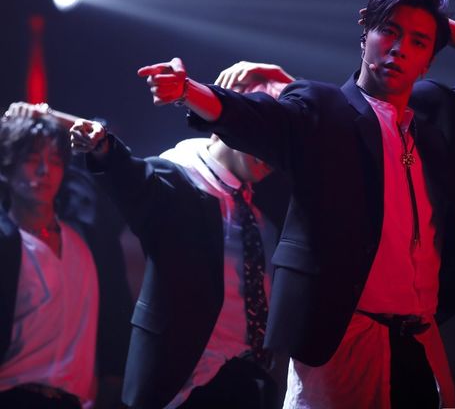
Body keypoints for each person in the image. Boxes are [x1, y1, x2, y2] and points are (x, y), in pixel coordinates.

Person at [140, 0, 455, 408]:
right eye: (389, 30)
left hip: (420, 337)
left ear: (428, 61)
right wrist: (187, 91)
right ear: (364, 34)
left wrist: (438, 24)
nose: (399, 48)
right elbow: (255, 116)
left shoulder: (435, 114)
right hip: (345, 340)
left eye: (418, 42)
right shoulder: (321, 107)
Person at [70, 65, 292, 409]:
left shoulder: (267, 193)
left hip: (251, 382)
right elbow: (131, 178)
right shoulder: (178, 178)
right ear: (231, 124)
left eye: (278, 139)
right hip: (183, 386)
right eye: (261, 133)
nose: (272, 151)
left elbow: (325, 141)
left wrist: (284, 80)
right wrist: (102, 148)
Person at [0, 113, 99, 409]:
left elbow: (100, 140)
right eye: (32, 159)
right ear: (7, 167)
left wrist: (47, 115)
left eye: (55, 161)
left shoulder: (82, 241)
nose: (45, 171)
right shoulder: (8, 243)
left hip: (73, 401)